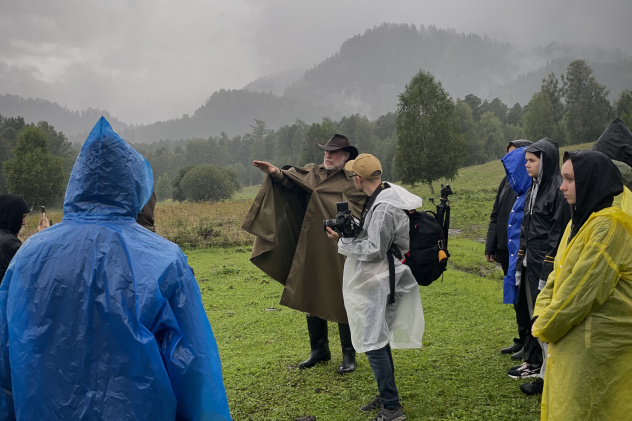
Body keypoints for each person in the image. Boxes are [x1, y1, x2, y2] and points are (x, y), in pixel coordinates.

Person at [0, 117, 232, 420]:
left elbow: (5, 356)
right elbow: (194, 368)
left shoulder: (29, 255)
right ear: (135, 183)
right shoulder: (164, 258)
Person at [242, 134, 366, 374]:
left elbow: (364, 209)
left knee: (343, 294)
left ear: (347, 155)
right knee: (310, 288)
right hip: (311, 242)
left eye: (333, 152)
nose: (328, 156)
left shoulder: (353, 179)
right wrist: (275, 172)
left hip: (341, 246)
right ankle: (319, 350)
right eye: (325, 152)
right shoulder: (314, 172)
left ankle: (349, 354)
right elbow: (290, 183)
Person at [532, 150, 632, 420]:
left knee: (591, 408)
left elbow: (580, 293)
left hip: (596, 349)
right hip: (570, 342)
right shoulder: (579, 223)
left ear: (591, 181)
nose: (562, 186)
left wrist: (543, 327)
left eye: (570, 179)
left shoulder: (610, 227)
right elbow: (557, 277)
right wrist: (540, 313)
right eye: (562, 178)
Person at [326, 153, 423, 421]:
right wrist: (353, 229)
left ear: (358, 178)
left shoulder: (384, 207)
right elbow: (377, 236)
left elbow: (375, 249)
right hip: (384, 276)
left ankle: (392, 408)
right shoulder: (383, 194)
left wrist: (341, 242)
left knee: (373, 340)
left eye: (352, 176)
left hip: (383, 279)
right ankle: (386, 396)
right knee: (378, 337)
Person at [507, 138, 569, 395]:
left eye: (532, 160)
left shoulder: (556, 189)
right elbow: (527, 227)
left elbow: (557, 232)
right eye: (526, 161)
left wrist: (547, 268)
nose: (528, 165)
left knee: (543, 317)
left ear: (545, 161)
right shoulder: (533, 188)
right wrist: (521, 258)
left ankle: (545, 372)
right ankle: (535, 364)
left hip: (545, 264)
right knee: (534, 313)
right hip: (530, 261)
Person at [485, 140, 532, 358]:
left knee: (524, 296)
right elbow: (496, 214)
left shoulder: (530, 184)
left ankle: (528, 341)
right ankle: (521, 338)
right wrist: (491, 245)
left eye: (515, 155)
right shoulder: (507, 181)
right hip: (504, 248)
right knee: (514, 294)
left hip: (520, 250)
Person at [0, 194, 49, 283]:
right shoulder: (8, 243)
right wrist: (43, 236)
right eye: (22, 217)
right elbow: (32, 268)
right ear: (11, 215)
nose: (24, 223)